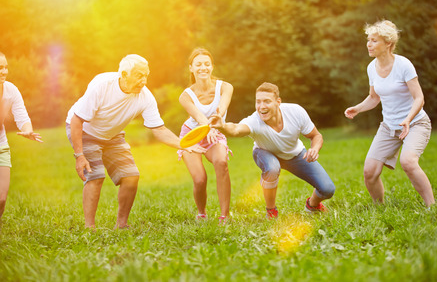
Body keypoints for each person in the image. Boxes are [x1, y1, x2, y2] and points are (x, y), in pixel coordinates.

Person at [66, 54, 205, 229]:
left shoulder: (145, 97)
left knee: (131, 176)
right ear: (124, 75)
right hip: (85, 130)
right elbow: (77, 120)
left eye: (146, 75)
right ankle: (89, 228)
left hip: (113, 134)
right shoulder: (102, 86)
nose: (144, 81)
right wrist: (79, 155)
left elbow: (159, 129)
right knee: (95, 175)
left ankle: (122, 225)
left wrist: (184, 144)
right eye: (139, 75)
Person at [210, 82, 335, 219]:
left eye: (267, 101)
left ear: (278, 102)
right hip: (264, 153)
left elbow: (316, 136)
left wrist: (314, 149)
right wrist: (222, 126)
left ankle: (312, 205)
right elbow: (235, 129)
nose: (261, 106)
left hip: (295, 154)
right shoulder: (254, 121)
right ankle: (271, 210)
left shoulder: (295, 112)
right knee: (272, 167)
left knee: (328, 189)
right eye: (258, 102)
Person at [344, 20, 434, 207]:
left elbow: (419, 98)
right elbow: (374, 97)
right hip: (389, 127)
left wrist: (408, 119)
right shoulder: (371, 67)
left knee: (408, 162)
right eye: (368, 39)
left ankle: (431, 206)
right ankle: (380, 208)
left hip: (416, 123)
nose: (369, 44)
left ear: (388, 44)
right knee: (369, 172)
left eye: (374, 40)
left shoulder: (403, 65)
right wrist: (358, 108)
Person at [178, 48, 233, 225]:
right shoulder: (185, 96)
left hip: (213, 133)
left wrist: (216, 119)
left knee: (222, 162)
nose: (203, 67)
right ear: (191, 68)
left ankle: (224, 216)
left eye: (207, 64)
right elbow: (198, 116)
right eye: (198, 64)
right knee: (200, 179)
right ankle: (201, 213)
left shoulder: (225, 87)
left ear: (212, 67)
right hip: (192, 135)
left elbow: (222, 107)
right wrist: (207, 125)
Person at [0, 52, 43, 221]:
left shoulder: (11, 90)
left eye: (5, 67)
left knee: (2, 198)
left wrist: (27, 130)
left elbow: (22, 116)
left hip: (1, 145)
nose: (3, 71)